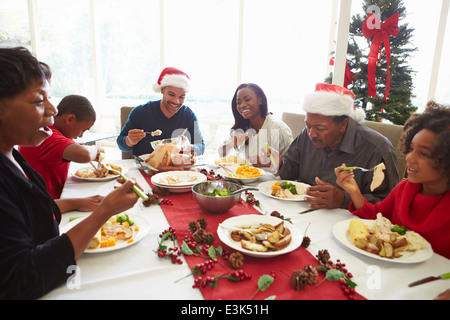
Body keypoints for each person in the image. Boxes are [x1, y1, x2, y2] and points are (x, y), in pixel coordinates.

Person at [0, 47, 139, 299]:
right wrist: (105, 211)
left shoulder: (13, 155)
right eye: (39, 100)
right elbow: (24, 278)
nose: (53, 110)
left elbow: (37, 211)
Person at [335, 101, 450, 259]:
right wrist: (354, 192)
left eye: (423, 154)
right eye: (411, 149)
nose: (409, 157)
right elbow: (375, 217)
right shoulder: (404, 189)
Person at [260, 83, 400, 209]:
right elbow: (291, 172)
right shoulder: (307, 134)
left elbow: (388, 203)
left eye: (320, 128)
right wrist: (279, 163)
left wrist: (344, 199)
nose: (312, 134)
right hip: (301, 211)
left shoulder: (376, 148)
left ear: (342, 125)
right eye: (308, 126)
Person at [19, 94, 101, 199]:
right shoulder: (47, 135)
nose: (81, 135)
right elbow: (85, 155)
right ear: (70, 119)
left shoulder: (47, 129)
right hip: (46, 205)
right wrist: (96, 149)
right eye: (83, 130)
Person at [117, 67, 205, 157]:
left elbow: (201, 147)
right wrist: (129, 141)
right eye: (171, 94)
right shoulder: (140, 113)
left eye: (181, 97)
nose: (176, 101)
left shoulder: (189, 115)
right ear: (162, 90)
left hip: (175, 168)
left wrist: (189, 147)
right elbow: (121, 144)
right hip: (144, 168)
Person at [218, 83, 293, 162]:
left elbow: (292, 166)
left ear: (260, 100)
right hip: (244, 173)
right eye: (239, 102)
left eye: (247, 100)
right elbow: (220, 152)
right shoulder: (243, 127)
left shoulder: (278, 128)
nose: (242, 105)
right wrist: (232, 144)